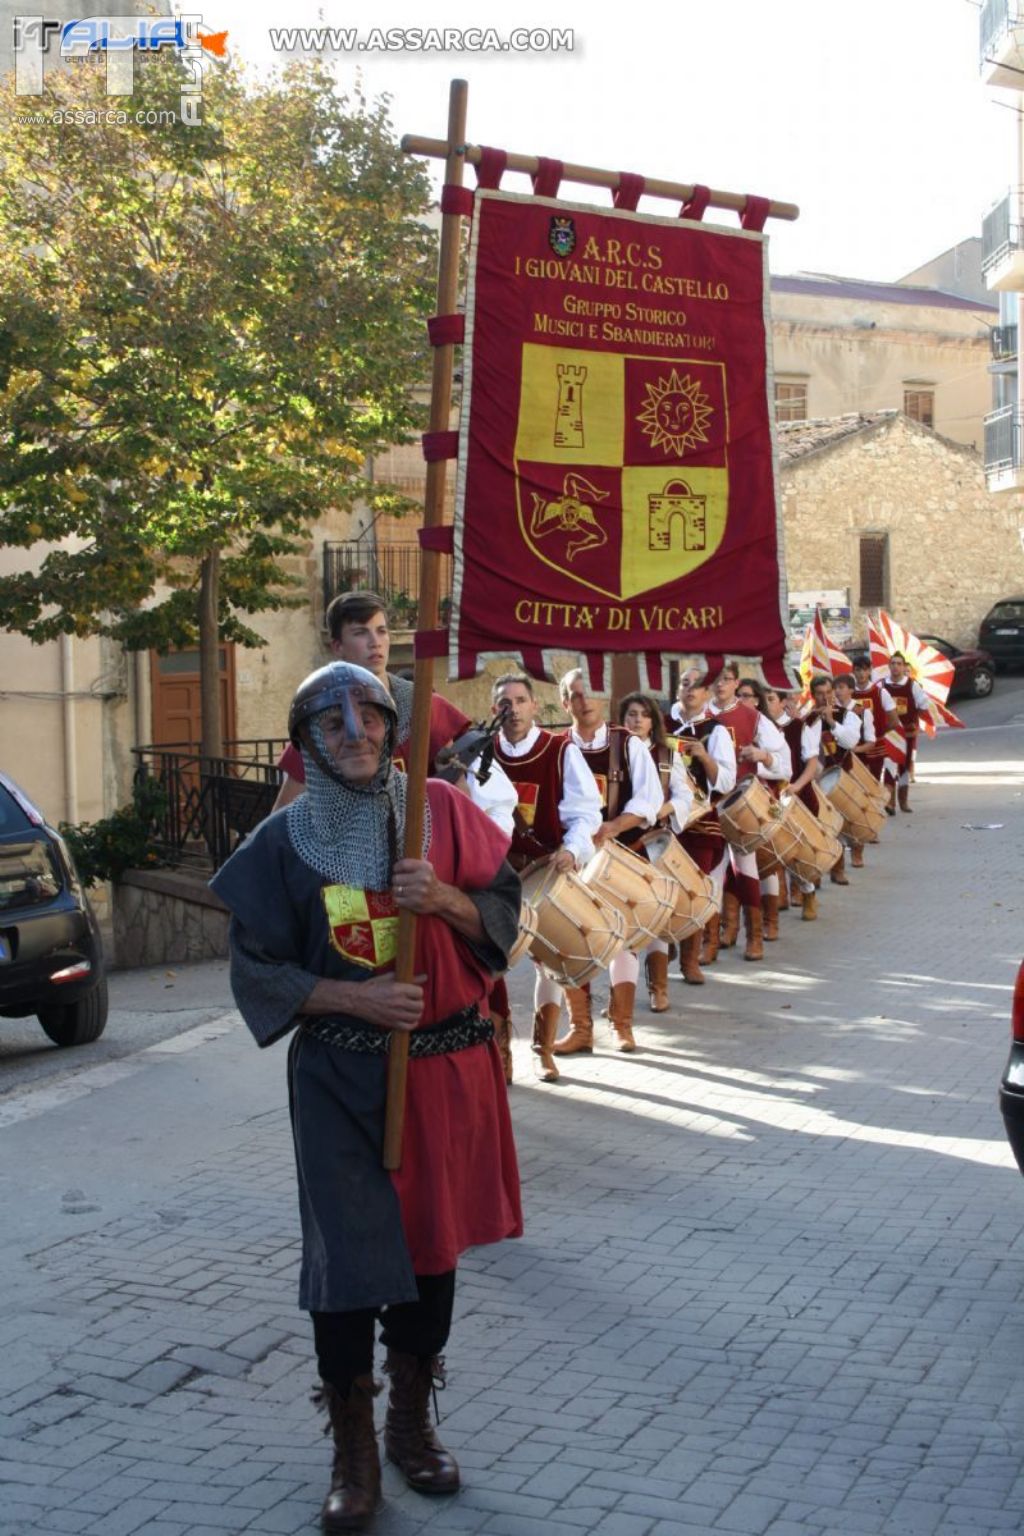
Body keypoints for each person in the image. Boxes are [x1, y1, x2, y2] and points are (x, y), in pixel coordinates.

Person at [211, 662, 523, 1533]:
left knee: (430, 1256)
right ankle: (350, 1449)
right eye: (335, 725)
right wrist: (353, 999)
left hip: (443, 1075)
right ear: (307, 740)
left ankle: (409, 1421)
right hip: (341, 1079)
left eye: (371, 720)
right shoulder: (282, 843)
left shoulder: (443, 812)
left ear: (392, 727)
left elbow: (507, 913)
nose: (356, 736)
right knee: (345, 1267)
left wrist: (449, 900)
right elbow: (256, 971)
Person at [490, 673, 602, 1082]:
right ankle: (500, 1054)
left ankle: (542, 1050)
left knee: (548, 963)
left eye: (521, 700)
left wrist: (572, 850)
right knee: (491, 963)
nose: (514, 708)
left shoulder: (560, 751)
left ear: (536, 706)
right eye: (506, 701)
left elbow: (586, 812)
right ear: (493, 709)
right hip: (496, 874)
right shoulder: (482, 753)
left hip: (545, 873)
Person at [556, 668, 664, 1051]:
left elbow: (649, 800)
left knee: (623, 939)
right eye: (575, 695)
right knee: (571, 940)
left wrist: (614, 826)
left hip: (621, 855)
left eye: (590, 693)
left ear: (602, 699)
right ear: (565, 703)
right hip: (573, 862)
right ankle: (581, 1028)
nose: (584, 701)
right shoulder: (555, 747)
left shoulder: (627, 744)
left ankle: (622, 1025)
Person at [619, 691, 694, 1010]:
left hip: (654, 843)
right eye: (631, 714)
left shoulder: (667, 754)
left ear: (654, 721)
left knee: (658, 915)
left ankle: (658, 988)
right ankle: (621, 997)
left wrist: (660, 811)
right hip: (620, 845)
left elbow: (685, 796)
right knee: (627, 917)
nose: (636, 720)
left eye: (643, 714)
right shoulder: (612, 752)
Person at [713, 667, 789, 961]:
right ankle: (718, 934)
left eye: (727, 679)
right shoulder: (700, 715)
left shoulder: (752, 718)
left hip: (741, 804)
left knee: (746, 869)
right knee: (714, 874)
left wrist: (762, 756)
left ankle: (754, 936)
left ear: (736, 683)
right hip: (707, 806)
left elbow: (785, 764)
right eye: (715, 679)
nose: (721, 685)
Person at [672, 669, 738, 977]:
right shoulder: (664, 725)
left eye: (697, 686)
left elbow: (726, 780)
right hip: (665, 821)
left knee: (695, 890)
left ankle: (690, 961)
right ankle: (661, 962)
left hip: (699, 821)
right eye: (685, 684)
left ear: (707, 694)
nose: (690, 690)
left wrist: (705, 757)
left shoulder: (716, 731)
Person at [735, 679, 792, 941]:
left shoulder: (762, 723)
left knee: (763, 862)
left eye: (747, 696)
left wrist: (761, 759)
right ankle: (728, 929)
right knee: (730, 869)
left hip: (758, 799)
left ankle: (766, 925)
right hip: (726, 800)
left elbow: (785, 768)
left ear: (756, 699)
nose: (742, 700)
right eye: (739, 695)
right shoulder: (723, 718)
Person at [767, 687, 823, 920]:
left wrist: (797, 786)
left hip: (799, 796)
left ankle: (807, 892)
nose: (765, 703)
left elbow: (812, 764)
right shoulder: (758, 727)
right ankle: (778, 894)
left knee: (801, 851)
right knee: (773, 848)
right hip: (772, 797)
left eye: (770, 699)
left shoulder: (799, 727)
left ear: (782, 703)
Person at [810, 674, 862, 885]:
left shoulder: (848, 716)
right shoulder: (808, 718)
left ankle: (838, 869)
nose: (825, 698)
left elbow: (850, 741)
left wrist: (831, 722)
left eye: (828, 693)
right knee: (819, 828)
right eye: (820, 694)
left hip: (840, 781)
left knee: (839, 827)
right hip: (816, 781)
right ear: (813, 696)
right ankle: (816, 873)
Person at [883, 651, 931, 812]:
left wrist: (916, 715)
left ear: (904, 667)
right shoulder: (881, 685)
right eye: (893, 663)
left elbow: (924, 705)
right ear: (889, 666)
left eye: (899, 663)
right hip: (889, 734)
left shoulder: (912, 685)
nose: (895, 666)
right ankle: (890, 802)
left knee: (903, 768)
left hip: (907, 735)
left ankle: (903, 801)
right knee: (889, 767)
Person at [851, 655, 901, 808]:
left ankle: (885, 804)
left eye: (865, 670)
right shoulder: (847, 694)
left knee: (877, 777)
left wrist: (878, 732)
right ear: (853, 671)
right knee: (860, 781)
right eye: (858, 670)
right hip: (855, 746)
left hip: (876, 746)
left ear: (870, 670)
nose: (861, 674)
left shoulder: (881, 693)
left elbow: (894, 721)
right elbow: (833, 711)